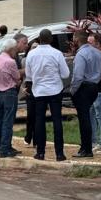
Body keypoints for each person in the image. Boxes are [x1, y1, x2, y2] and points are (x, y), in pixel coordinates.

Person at [25, 29, 69, 162]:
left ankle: (40, 152)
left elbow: (29, 75)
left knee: (39, 121)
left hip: (38, 91)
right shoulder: (57, 53)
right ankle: (59, 154)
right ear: (50, 39)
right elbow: (65, 74)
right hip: (55, 90)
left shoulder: (31, 54)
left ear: (39, 39)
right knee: (57, 120)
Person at [70, 31, 101, 159]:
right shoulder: (97, 52)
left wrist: (73, 90)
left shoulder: (81, 54)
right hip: (94, 86)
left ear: (77, 39)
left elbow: (78, 75)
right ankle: (85, 147)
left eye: (73, 36)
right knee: (87, 118)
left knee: (84, 119)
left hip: (83, 87)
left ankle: (86, 149)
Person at [0, 38, 21, 158]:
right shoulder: (11, 62)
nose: (16, 52)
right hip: (9, 93)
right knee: (7, 122)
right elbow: (16, 78)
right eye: (15, 50)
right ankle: (4, 149)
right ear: (11, 49)